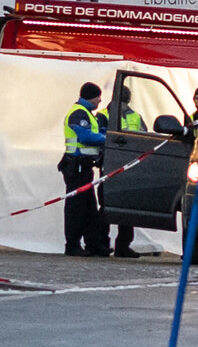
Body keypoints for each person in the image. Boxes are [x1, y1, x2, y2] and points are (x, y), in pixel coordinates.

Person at [60, 83, 110, 258]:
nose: (100, 100)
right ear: (91, 96)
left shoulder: (87, 113)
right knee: (76, 208)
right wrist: (107, 138)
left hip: (84, 167)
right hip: (77, 167)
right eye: (98, 96)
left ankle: (94, 245)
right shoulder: (79, 113)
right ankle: (72, 245)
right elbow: (85, 136)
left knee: (89, 208)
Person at [109, 89, 146, 259]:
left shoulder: (104, 114)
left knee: (109, 206)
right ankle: (121, 246)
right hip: (126, 167)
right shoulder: (136, 117)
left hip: (114, 166)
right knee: (124, 206)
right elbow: (145, 138)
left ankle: (103, 244)